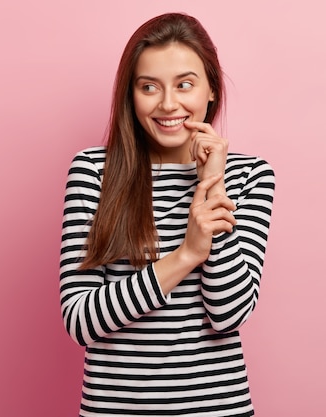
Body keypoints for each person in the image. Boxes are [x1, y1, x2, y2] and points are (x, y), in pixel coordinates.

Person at [59, 12, 275, 417]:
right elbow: (80, 321)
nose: (169, 104)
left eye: (185, 84)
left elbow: (229, 314)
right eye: (149, 87)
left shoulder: (249, 176)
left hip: (217, 408)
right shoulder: (93, 172)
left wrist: (211, 182)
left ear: (211, 89)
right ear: (131, 94)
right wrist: (185, 255)